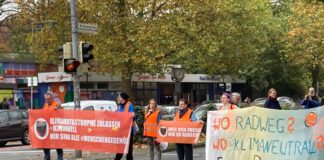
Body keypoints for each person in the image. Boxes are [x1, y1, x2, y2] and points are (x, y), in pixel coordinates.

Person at [115, 92, 136, 160]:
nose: (118, 98)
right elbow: (115, 115)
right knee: (120, 147)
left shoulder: (129, 105)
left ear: (123, 98)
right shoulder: (119, 106)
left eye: (119, 97)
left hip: (129, 131)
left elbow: (133, 116)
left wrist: (132, 115)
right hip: (121, 130)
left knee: (129, 150)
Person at [42, 93, 63, 160]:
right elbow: (41, 114)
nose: (47, 101)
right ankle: (47, 158)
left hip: (55, 128)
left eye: (48, 99)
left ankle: (60, 158)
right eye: (46, 99)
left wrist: (58, 109)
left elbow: (63, 113)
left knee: (57, 144)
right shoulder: (45, 105)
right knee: (45, 144)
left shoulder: (57, 104)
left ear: (52, 98)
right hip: (47, 127)